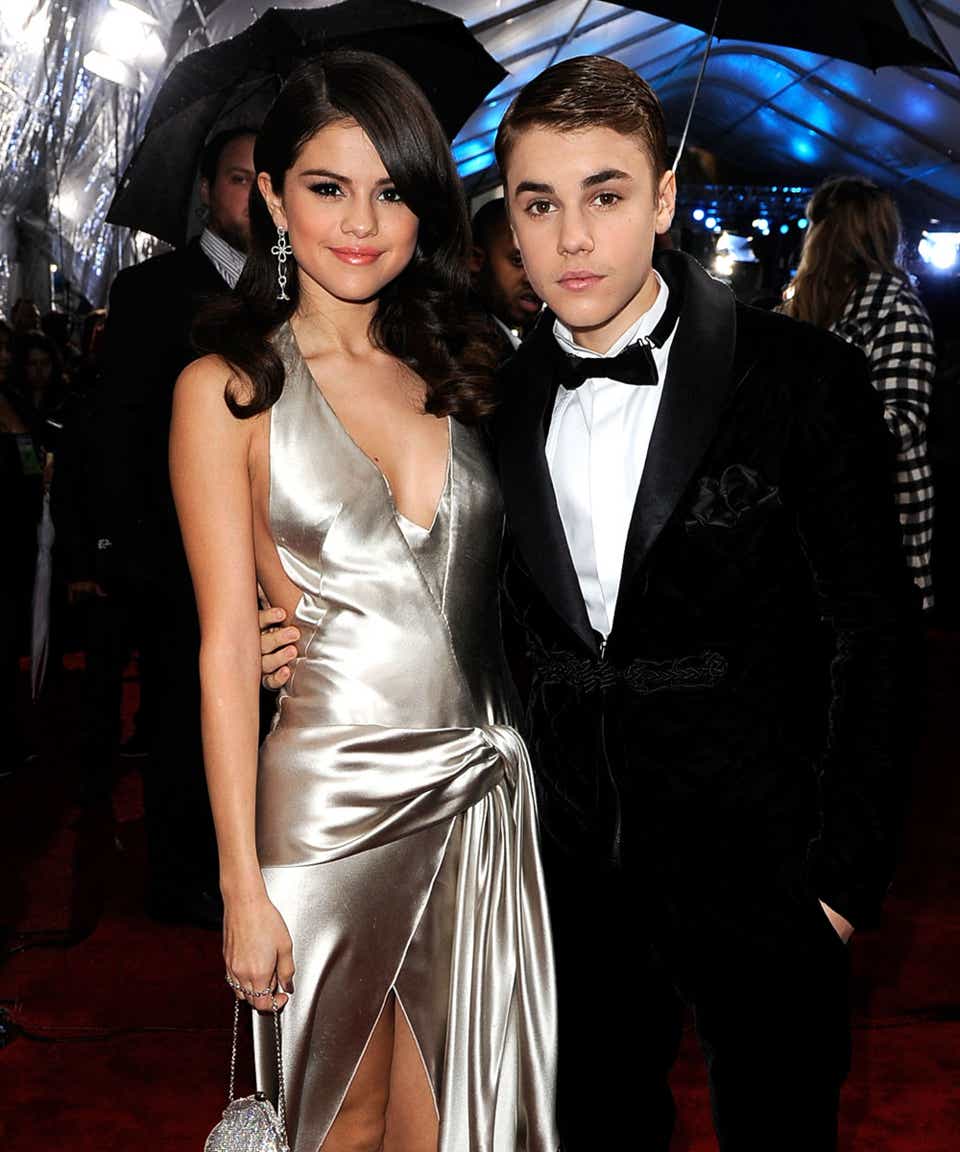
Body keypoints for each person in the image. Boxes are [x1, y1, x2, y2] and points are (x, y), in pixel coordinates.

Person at [255, 54, 921, 1150]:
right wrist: (299, 632)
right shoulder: (486, 398)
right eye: (538, 204)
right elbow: (437, 586)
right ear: (508, 222)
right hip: (565, 881)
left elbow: (877, 636)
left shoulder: (802, 378)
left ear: (663, 199)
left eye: (605, 197)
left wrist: (842, 879)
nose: (571, 238)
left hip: (767, 873)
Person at [171, 52, 557, 1152]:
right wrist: (241, 888)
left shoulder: (468, 368)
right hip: (326, 807)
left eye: (390, 191)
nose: (360, 222)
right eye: (328, 187)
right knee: (335, 1126)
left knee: (450, 1128)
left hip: (482, 802)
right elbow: (223, 646)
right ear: (272, 196)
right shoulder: (229, 388)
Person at [84, 125, 257, 926]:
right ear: (206, 190)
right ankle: (182, 878)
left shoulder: (297, 285)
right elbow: (118, 423)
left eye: (266, 180)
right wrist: (118, 544)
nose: (253, 196)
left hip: (271, 540)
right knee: (182, 715)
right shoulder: (151, 289)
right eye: (237, 178)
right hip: (174, 545)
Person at [782, 175, 937, 611]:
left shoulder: (895, 308)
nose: (810, 238)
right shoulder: (805, 302)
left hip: (877, 526)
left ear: (839, 233)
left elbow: (899, 423)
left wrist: (804, 425)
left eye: (818, 226)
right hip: (813, 525)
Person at [469, 196, 541, 354]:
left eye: (543, 265)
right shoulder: (466, 347)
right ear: (475, 260)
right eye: (518, 261)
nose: (533, 278)